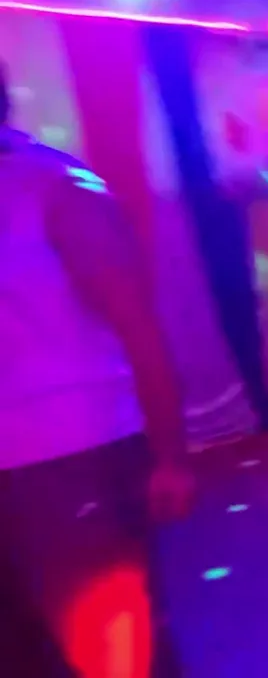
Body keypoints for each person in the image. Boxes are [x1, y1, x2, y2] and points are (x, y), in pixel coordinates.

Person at [0, 63, 193, 675]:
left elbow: (139, 326)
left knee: (115, 657)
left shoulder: (53, 186)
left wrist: (170, 454)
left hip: (71, 454)